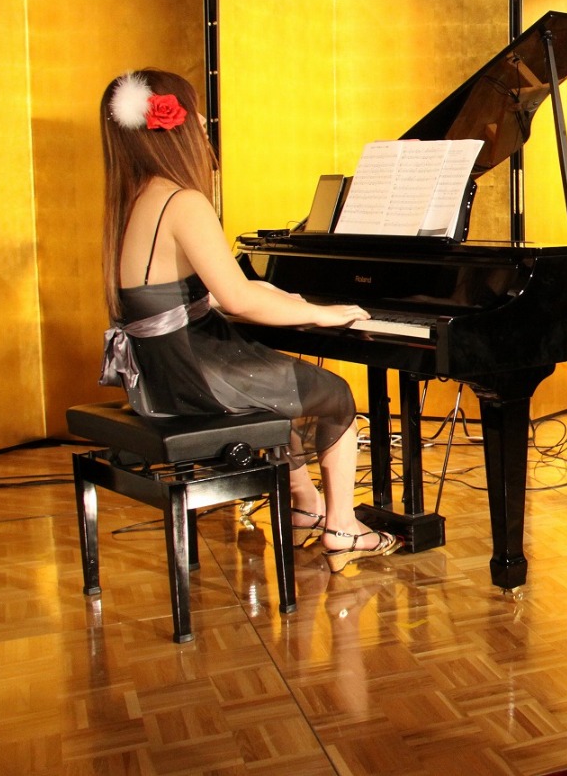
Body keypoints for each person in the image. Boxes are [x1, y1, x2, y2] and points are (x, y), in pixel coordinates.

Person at [98, 68, 401, 573]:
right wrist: (318, 312)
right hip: (191, 371)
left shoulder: (135, 200)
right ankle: (343, 527)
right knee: (332, 393)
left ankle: (305, 502)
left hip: (159, 373)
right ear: (173, 127)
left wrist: (277, 296)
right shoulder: (183, 202)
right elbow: (237, 299)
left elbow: (195, 293)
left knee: (279, 387)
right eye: (195, 111)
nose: (203, 122)